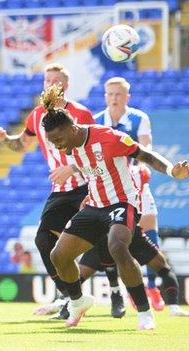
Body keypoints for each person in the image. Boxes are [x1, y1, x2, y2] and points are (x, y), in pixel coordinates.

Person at [40, 84, 189, 330]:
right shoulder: (70, 147)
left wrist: (172, 170)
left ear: (73, 129)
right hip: (95, 205)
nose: (56, 146)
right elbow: (94, 171)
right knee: (58, 255)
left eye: (58, 139)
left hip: (122, 202)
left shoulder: (109, 137)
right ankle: (78, 301)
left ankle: (144, 312)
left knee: (117, 245)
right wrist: (89, 195)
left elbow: (145, 155)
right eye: (52, 141)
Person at [0, 63, 127, 318]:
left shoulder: (80, 113)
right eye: (46, 80)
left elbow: (94, 146)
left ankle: (116, 291)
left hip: (88, 183)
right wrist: (3, 138)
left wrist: (73, 167)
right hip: (60, 190)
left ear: (66, 85)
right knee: (43, 239)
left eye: (56, 80)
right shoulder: (36, 115)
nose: (50, 84)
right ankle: (69, 296)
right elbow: (21, 144)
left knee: (103, 238)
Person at [93, 77, 165, 310]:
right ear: (105, 96)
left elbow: (146, 147)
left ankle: (152, 286)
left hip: (134, 181)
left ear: (127, 97)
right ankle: (121, 290)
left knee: (150, 224)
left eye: (118, 94)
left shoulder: (138, 118)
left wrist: (141, 168)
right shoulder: (97, 122)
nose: (114, 98)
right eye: (110, 94)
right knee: (112, 239)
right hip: (108, 185)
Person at [79, 224, 189, 317]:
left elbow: (149, 221)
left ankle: (173, 307)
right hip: (104, 234)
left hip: (130, 230)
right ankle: (70, 301)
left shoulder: (142, 200)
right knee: (74, 277)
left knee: (163, 267)